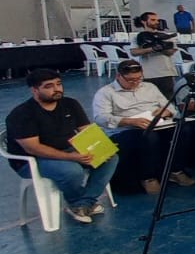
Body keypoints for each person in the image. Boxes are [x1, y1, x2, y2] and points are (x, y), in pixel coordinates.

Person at [5, 69, 119, 224]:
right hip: (31, 160)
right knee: (72, 171)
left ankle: (83, 204)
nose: (57, 89)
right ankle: (80, 203)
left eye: (59, 84)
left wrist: (102, 147)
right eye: (49, 86)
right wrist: (71, 157)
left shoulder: (70, 104)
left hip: (68, 150)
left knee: (110, 158)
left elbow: (86, 130)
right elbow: (33, 148)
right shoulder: (22, 114)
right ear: (34, 90)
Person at [92, 60, 190, 194]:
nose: (136, 82)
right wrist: (127, 121)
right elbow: (100, 118)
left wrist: (165, 111)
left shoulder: (149, 87)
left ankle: (175, 170)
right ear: (118, 76)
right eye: (131, 80)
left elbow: (170, 107)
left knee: (183, 130)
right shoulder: (105, 93)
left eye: (139, 78)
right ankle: (148, 177)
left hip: (156, 124)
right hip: (124, 130)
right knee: (149, 137)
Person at [131, 11, 179, 98]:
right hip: (148, 75)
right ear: (144, 21)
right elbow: (134, 52)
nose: (156, 22)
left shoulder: (164, 36)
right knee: (148, 101)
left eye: (157, 20)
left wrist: (160, 45)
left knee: (167, 101)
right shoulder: (137, 37)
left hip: (165, 74)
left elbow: (170, 52)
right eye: (153, 20)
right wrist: (151, 48)